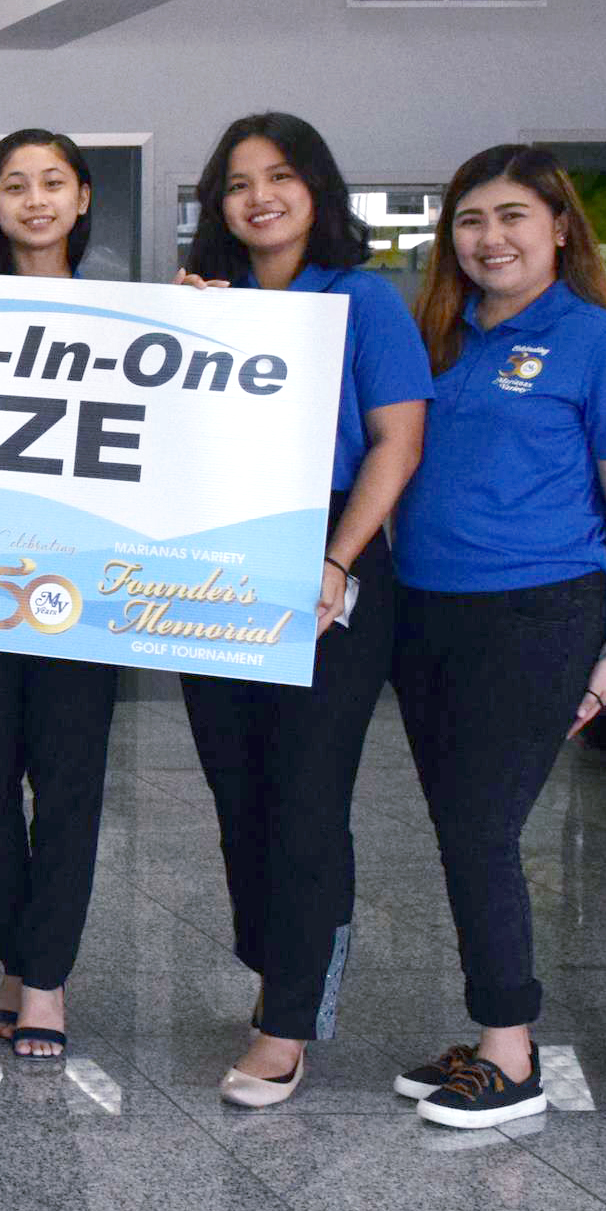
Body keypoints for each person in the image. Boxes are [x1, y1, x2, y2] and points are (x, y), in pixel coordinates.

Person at [389, 143, 606, 1129]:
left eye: (511, 216)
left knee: (478, 828)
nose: (488, 237)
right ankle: (488, 1036)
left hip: (537, 614)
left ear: (558, 227)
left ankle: (509, 1053)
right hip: (423, 612)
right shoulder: (433, 333)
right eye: (468, 220)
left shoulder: (601, 342)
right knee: (458, 828)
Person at [170, 114, 431, 1108]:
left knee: (305, 795)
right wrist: (181, 333)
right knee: (238, 791)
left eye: (277, 177)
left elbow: (395, 444)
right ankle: (275, 974)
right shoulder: (206, 303)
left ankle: (285, 1024)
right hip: (217, 554)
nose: (256, 198)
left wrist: (333, 558)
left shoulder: (360, 299)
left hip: (333, 554)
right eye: (235, 184)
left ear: (316, 190)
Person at [0, 130, 124, 1062]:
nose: (35, 200)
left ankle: (45, 975)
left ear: (83, 197)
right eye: (16, 185)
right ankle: (16, 952)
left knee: (70, 780)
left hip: (83, 592)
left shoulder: (133, 314)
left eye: (53, 183)